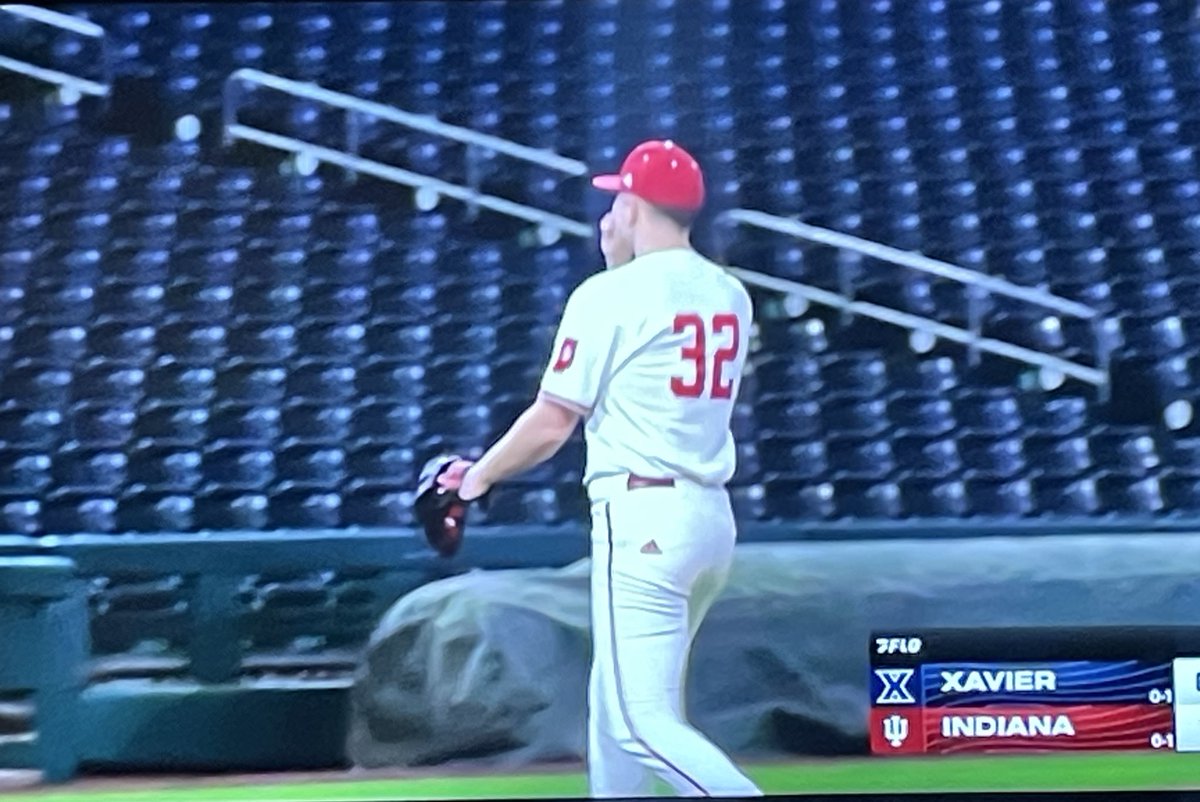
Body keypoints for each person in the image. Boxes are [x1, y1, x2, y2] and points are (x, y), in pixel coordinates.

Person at [436, 139, 762, 797]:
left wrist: (477, 478)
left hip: (644, 518)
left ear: (637, 203)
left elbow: (554, 420)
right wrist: (619, 264)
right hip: (708, 522)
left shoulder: (609, 294)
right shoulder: (730, 293)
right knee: (614, 711)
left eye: (619, 197)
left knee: (642, 723)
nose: (610, 208)